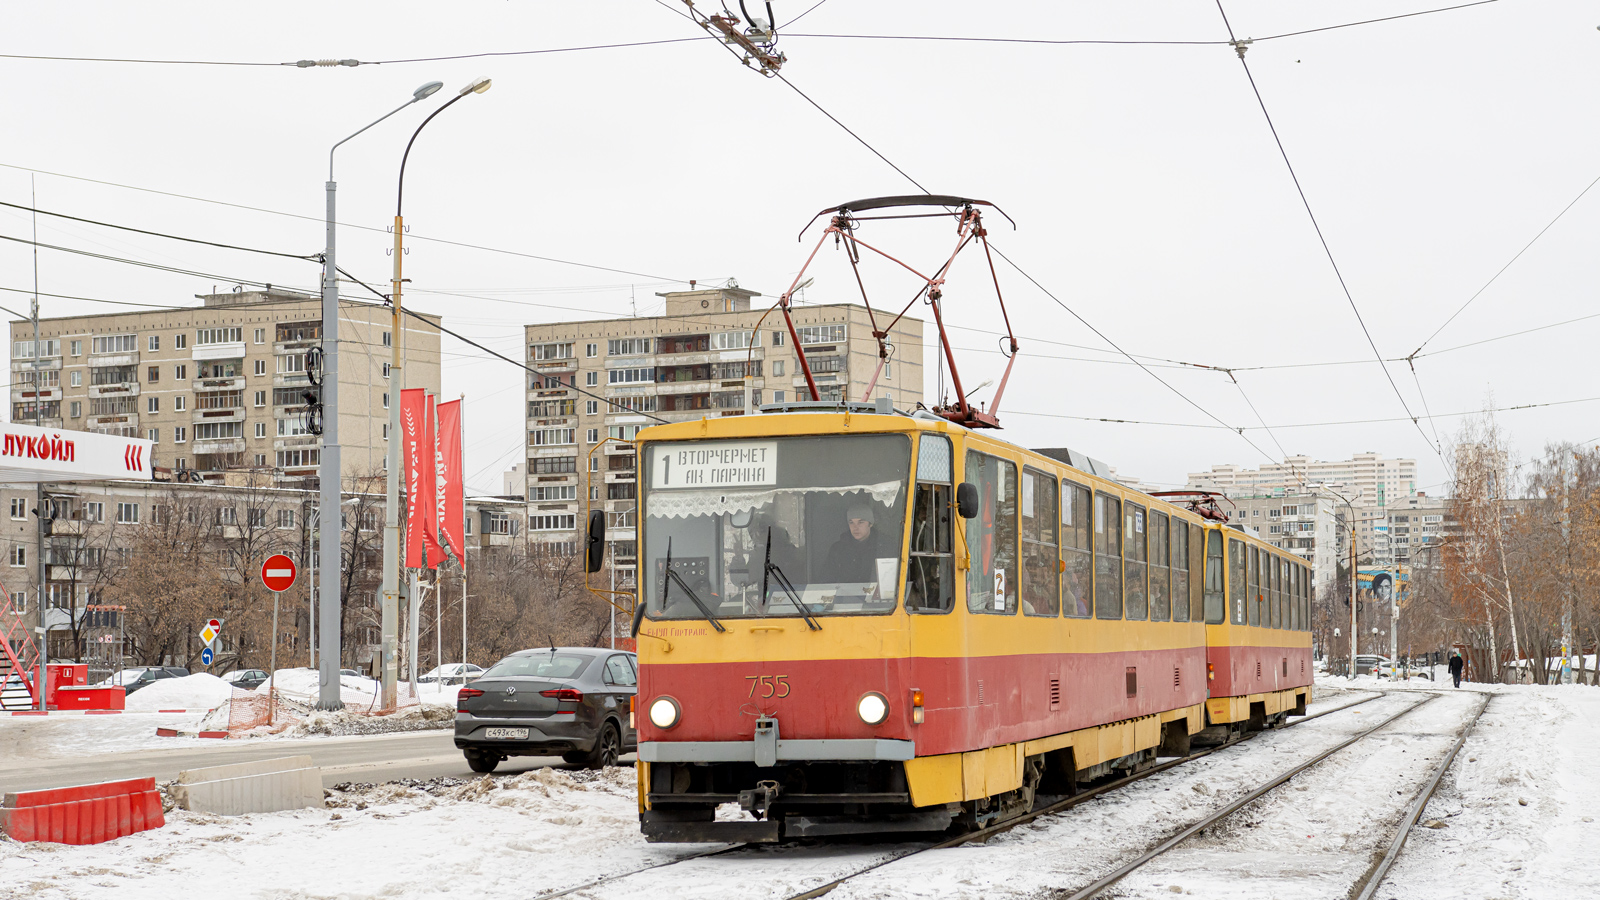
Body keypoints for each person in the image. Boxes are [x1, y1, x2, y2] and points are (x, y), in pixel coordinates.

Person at [824, 503, 879, 583]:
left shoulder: (883, 547)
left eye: (860, 522)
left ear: (870, 524)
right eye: (851, 522)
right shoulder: (838, 549)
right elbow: (826, 580)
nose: (855, 527)